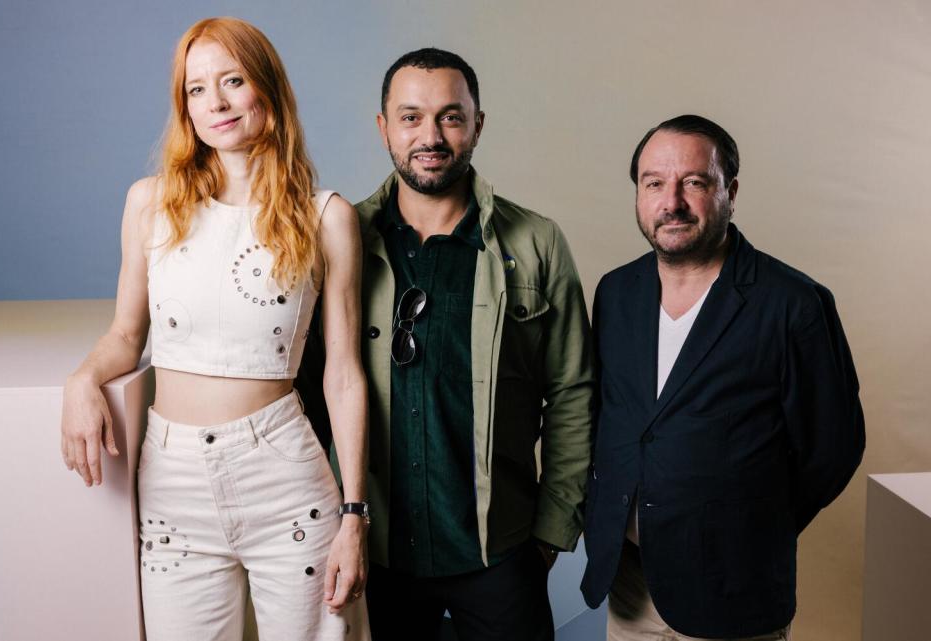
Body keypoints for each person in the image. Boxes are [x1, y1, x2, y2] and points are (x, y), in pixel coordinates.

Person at [59, 17, 369, 641]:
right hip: (172, 482)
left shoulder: (326, 217)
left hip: (285, 479)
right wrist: (83, 380)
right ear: (185, 108)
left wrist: (354, 515)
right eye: (197, 89)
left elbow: (343, 372)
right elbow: (126, 334)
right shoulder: (150, 204)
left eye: (233, 80)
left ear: (269, 91)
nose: (216, 102)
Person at [580, 114, 865, 639]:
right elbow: (613, 418)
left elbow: (833, 449)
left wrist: (748, 528)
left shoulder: (794, 304)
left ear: (729, 191)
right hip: (629, 587)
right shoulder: (615, 292)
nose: (672, 202)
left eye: (694, 181)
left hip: (731, 589)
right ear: (639, 194)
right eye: (654, 183)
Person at [351, 47, 593, 640]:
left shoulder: (536, 243)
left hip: (500, 551)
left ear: (477, 125)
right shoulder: (341, 241)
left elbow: (573, 394)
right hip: (373, 550)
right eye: (410, 117)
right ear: (383, 128)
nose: (430, 136)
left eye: (450, 117)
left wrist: (550, 534)